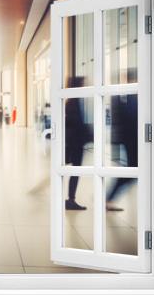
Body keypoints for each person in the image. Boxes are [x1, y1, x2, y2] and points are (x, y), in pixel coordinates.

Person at [105, 94, 138, 211]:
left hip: (131, 139)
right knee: (133, 170)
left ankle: (108, 198)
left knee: (132, 170)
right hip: (133, 140)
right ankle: (108, 198)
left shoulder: (129, 98)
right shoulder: (132, 98)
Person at [64, 77, 92, 210]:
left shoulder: (73, 102)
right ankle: (71, 199)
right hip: (75, 144)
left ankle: (71, 199)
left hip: (74, 143)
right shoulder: (73, 103)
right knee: (75, 171)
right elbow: (74, 125)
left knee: (75, 171)